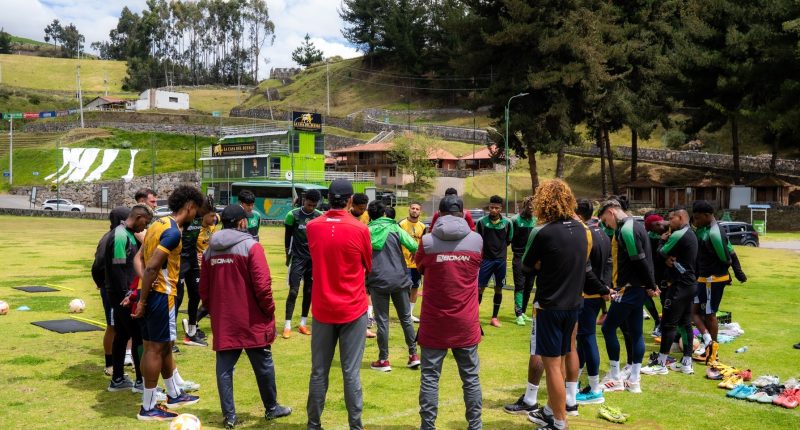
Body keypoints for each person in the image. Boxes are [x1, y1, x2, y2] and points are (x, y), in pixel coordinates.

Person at [199, 205, 292, 428]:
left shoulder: (210, 250)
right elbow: (262, 286)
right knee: (263, 365)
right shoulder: (252, 246)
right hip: (251, 318)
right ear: (242, 222)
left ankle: (229, 416)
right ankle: (271, 408)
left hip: (225, 319)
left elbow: (204, 288)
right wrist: (269, 310)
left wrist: (214, 311)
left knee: (224, 369)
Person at [522, 180, 590, 430]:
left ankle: (559, 422)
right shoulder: (582, 229)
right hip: (574, 304)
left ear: (543, 201)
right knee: (561, 358)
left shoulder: (543, 231)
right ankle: (551, 409)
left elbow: (526, 266)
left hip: (550, 305)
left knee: (551, 366)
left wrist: (542, 264)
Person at [133, 185, 204, 421]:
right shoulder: (173, 232)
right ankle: (148, 407)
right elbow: (152, 265)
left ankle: (173, 394)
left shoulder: (157, 223)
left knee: (160, 346)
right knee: (155, 348)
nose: (197, 216)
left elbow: (140, 258)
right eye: (196, 210)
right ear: (189, 206)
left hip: (155, 293)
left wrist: (144, 290)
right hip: (162, 294)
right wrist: (142, 299)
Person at [306, 179, 373, 430]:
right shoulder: (360, 229)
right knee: (351, 372)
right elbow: (368, 265)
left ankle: (313, 424)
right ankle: (355, 425)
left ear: (328, 198)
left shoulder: (312, 226)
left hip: (323, 308)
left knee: (319, 371)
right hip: (353, 309)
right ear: (349, 201)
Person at [416, 194, 483, 430]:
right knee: (471, 379)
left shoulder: (427, 241)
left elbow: (421, 268)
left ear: (439, 214)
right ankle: (475, 426)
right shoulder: (476, 240)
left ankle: (428, 426)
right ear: (463, 213)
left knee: (430, 378)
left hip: (434, 323)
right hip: (466, 322)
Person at [597, 196, 658, 395]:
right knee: (636, 332)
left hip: (629, 289)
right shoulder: (637, 225)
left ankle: (615, 377)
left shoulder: (627, 229)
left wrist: (651, 284)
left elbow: (639, 259)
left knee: (608, 328)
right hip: (638, 288)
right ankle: (634, 380)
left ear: (611, 212)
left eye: (606, 220)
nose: (608, 225)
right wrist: (649, 284)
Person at [641, 207, 698, 376]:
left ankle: (661, 363)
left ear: (680, 218)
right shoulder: (691, 233)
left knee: (668, 324)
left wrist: (661, 241)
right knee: (685, 323)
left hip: (679, 286)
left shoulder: (678, 235)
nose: (669, 223)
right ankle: (686, 362)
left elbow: (662, 252)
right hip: (689, 284)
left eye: (671, 219)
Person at [366, 200, 420, 372]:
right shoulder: (396, 228)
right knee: (405, 318)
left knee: (382, 321)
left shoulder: (366, 231)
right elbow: (414, 246)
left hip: (378, 279)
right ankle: (413, 356)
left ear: (370, 215)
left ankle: (384, 360)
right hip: (400, 279)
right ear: (384, 213)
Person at [691, 200, 747, 364]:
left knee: (709, 314)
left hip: (712, 279)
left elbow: (726, 257)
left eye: (698, 218)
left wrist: (731, 274)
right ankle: (708, 342)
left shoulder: (715, 233)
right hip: (703, 278)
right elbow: (730, 250)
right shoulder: (705, 229)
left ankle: (713, 351)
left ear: (708, 216)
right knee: (693, 311)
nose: (696, 221)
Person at [105, 204, 153, 392]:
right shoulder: (119, 236)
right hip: (122, 295)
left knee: (123, 334)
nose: (145, 227)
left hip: (124, 294)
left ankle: (117, 379)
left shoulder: (129, 234)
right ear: (139, 217)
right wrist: (127, 295)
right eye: (146, 222)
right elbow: (117, 268)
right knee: (138, 335)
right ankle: (142, 382)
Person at [574, 199, 611, 407]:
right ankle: (575, 380)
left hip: (588, 293)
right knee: (582, 338)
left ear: (578, 214)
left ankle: (595, 389)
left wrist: (600, 288)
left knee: (587, 338)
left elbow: (586, 269)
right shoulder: (602, 232)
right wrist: (604, 287)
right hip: (596, 292)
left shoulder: (586, 234)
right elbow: (608, 263)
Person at [92, 206, 131, 376]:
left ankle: (120, 362)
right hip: (113, 290)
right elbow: (98, 265)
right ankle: (110, 365)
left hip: (120, 290)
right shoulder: (113, 237)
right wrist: (101, 283)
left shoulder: (122, 235)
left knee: (121, 328)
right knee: (113, 326)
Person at [283, 189, 323, 338]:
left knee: (309, 291)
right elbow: (287, 238)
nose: (311, 207)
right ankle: (287, 325)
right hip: (297, 258)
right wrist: (287, 256)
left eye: (313, 205)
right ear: (303, 200)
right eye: (308, 204)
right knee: (293, 291)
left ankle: (303, 324)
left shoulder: (319, 216)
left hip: (313, 260)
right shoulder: (292, 215)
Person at [179, 196, 214, 348]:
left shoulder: (206, 218)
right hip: (180, 261)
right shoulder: (185, 218)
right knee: (177, 299)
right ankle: (169, 339)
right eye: (208, 214)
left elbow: (217, 217)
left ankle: (191, 333)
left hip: (193, 261)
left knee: (196, 295)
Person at [475, 195, 513, 327]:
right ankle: (473, 317)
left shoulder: (508, 223)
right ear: (488, 207)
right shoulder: (481, 222)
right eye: (491, 207)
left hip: (500, 261)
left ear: (501, 208)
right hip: (485, 260)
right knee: (480, 288)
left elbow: (508, 240)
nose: (494, 210)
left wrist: (499, 253)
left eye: (497, 208)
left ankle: (494, 317)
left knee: (499, 288)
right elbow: (477, 240)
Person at [350, 192, 377, 339]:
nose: (362, 211)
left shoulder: (367, 217)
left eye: (364, 208)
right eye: (360, 208)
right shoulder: (347, 217)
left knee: (365, 292)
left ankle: (366, 322)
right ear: (352, 205)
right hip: (351, 261)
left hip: (364, 259)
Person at [398, 202, 426, 322]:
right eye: (413, 208)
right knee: (404, 288)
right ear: (409, 209)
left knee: (415, 287)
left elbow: (424, 244)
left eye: (417, 209)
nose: (414, 210)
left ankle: (409, 313)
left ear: (420, 211)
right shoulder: (401, 224)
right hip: (403, 262)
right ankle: (403, 313)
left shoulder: (423, 227)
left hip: (417, 263)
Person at [511, 196, 537, 326]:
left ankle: (524, 312)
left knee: (529, 286)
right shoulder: (515, 220)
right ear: (525, 206)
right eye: (530, 206)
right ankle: (518, 314)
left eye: (534, 207)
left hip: (533, 258)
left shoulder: (536, 221)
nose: (532, 209)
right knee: (520, 286)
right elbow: (509, 238)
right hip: (519, 257)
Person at [644, 214, 668, 337]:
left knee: (665, 299)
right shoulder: (647, 236)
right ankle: (657, 321)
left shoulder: (669, 234)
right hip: (651, 270)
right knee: (645, 296)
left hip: (664, 271)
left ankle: (663, 324)